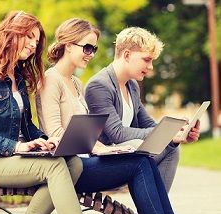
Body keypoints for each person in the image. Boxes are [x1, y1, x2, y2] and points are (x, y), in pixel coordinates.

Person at [36, 18, 176, 214]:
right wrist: (97, 147)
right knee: (139, 162)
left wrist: (105, 148)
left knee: (143, 159)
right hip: (68, 168)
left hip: (86, 161)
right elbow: (55, 134)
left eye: (93, 49)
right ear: (68, 45)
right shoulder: (51, 80)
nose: (91, 54)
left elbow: (85, 133)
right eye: (86, 48)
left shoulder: (76, 83)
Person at [0, 11, 85, 214]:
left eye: (36, 41)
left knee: (74, 163)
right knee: (54, 166)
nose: (33, 45)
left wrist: (46, 140)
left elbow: (26, 125)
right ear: (10, 33)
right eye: (29, 37)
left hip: (20, 156)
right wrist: (16, 147)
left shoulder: (18, 78)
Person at [84, 27, 200, 192]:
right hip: (103, 159)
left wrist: (177, 132)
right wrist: (166, 134)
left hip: (126, 152)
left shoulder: (132, 85)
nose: (151, 67)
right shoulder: (99, 85)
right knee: (142, 145)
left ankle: (157, 210)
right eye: (146, 60)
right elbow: (117, 133)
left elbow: (148, 124)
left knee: (172, 148)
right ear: (127, 55)